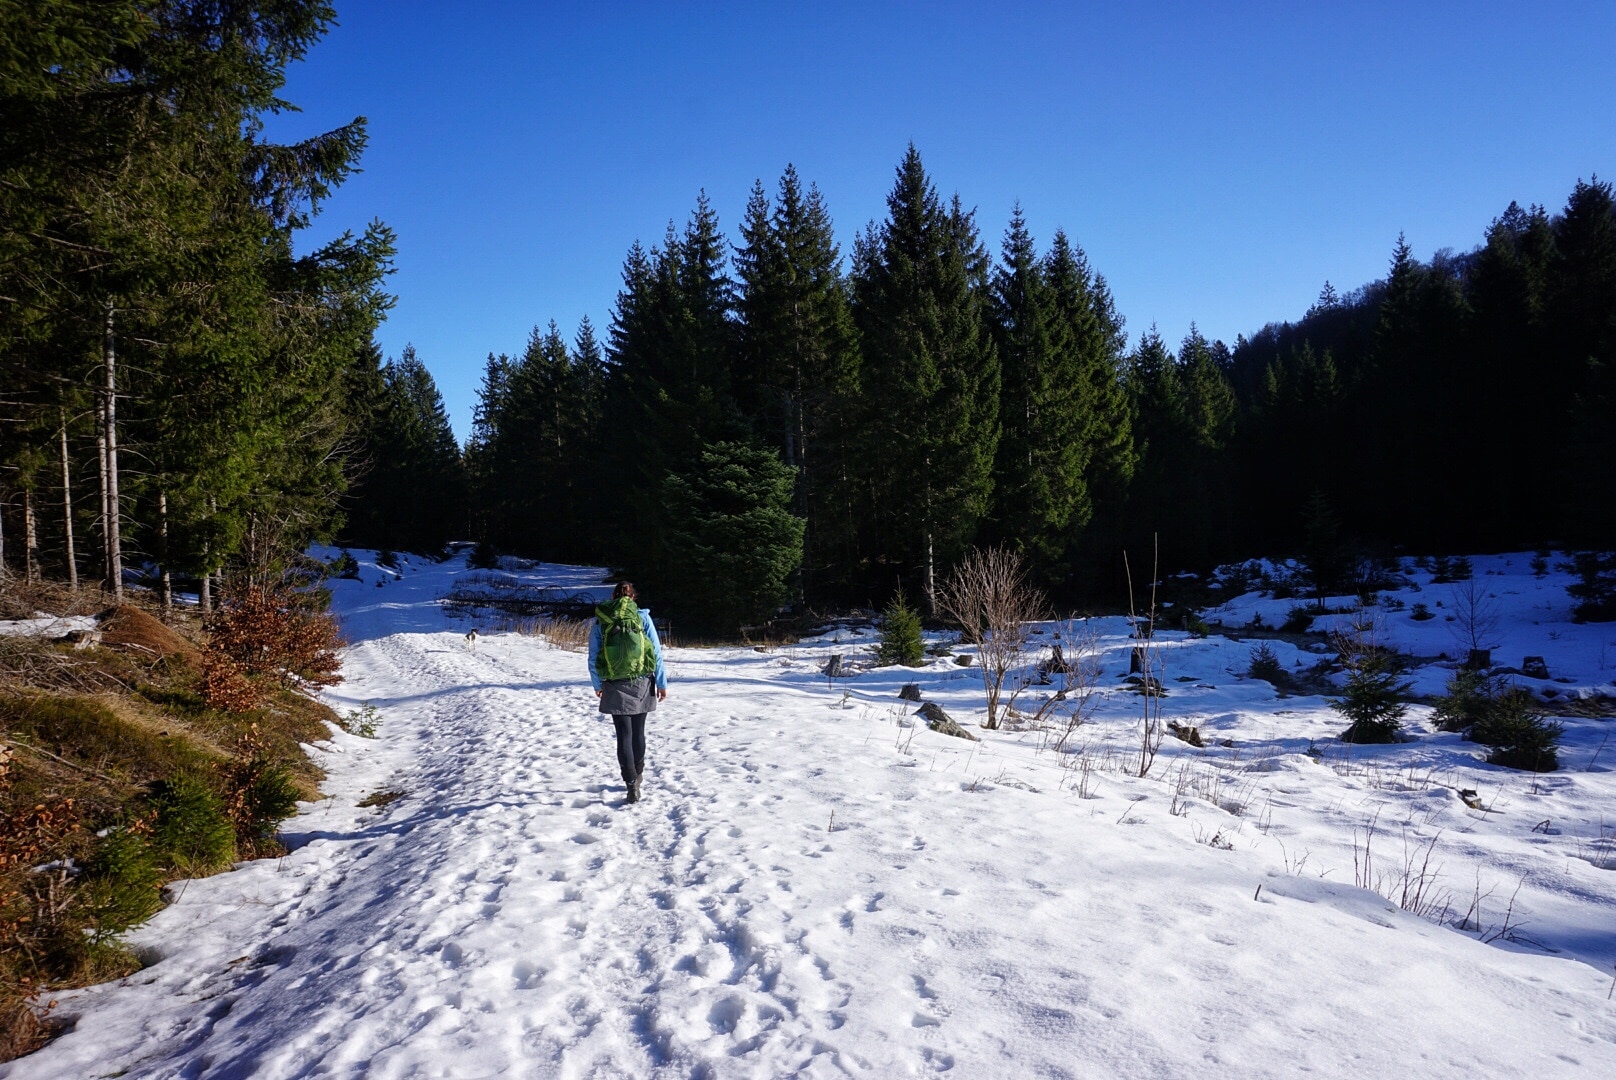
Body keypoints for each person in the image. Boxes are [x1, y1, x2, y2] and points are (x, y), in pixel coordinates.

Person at [587, 582, 667, 804]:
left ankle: (630, 783)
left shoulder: (602, 620)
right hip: (642, 680)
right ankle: (638, 775)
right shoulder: (642, 618)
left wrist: (598, 684)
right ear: (634, 597)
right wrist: (661, 682)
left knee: (624, 735)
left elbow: (593, 657)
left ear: (613, 597)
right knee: (638, 732)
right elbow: (657, 653)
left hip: (613, 682)